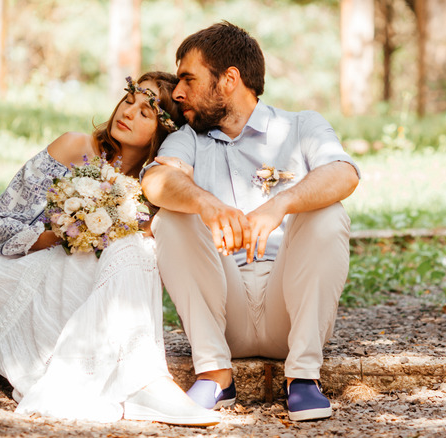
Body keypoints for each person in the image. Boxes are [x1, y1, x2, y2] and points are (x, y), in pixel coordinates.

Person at [0, 72, 220, 426]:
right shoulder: (73, 146)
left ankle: (145, 383)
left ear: (164, 134)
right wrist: (67, 229)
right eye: (129, 100)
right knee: (122, 245)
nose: (128, 112)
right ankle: (147, 386)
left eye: (146, 112)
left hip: (76, 286)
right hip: (4, 280)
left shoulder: (154, 187)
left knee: (138, 245)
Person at [141, 23, 360, 422]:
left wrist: (281, 204)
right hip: (223, 312)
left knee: (328, 210)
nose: (177, 92)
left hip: (291, 310)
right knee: (173, 216)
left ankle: (304, 378)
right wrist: (207, 204)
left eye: (189, 78)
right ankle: (214, 375)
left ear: (229, 79)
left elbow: (344, 174)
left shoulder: (301, 125)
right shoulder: (190, 138)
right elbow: (156, 180)